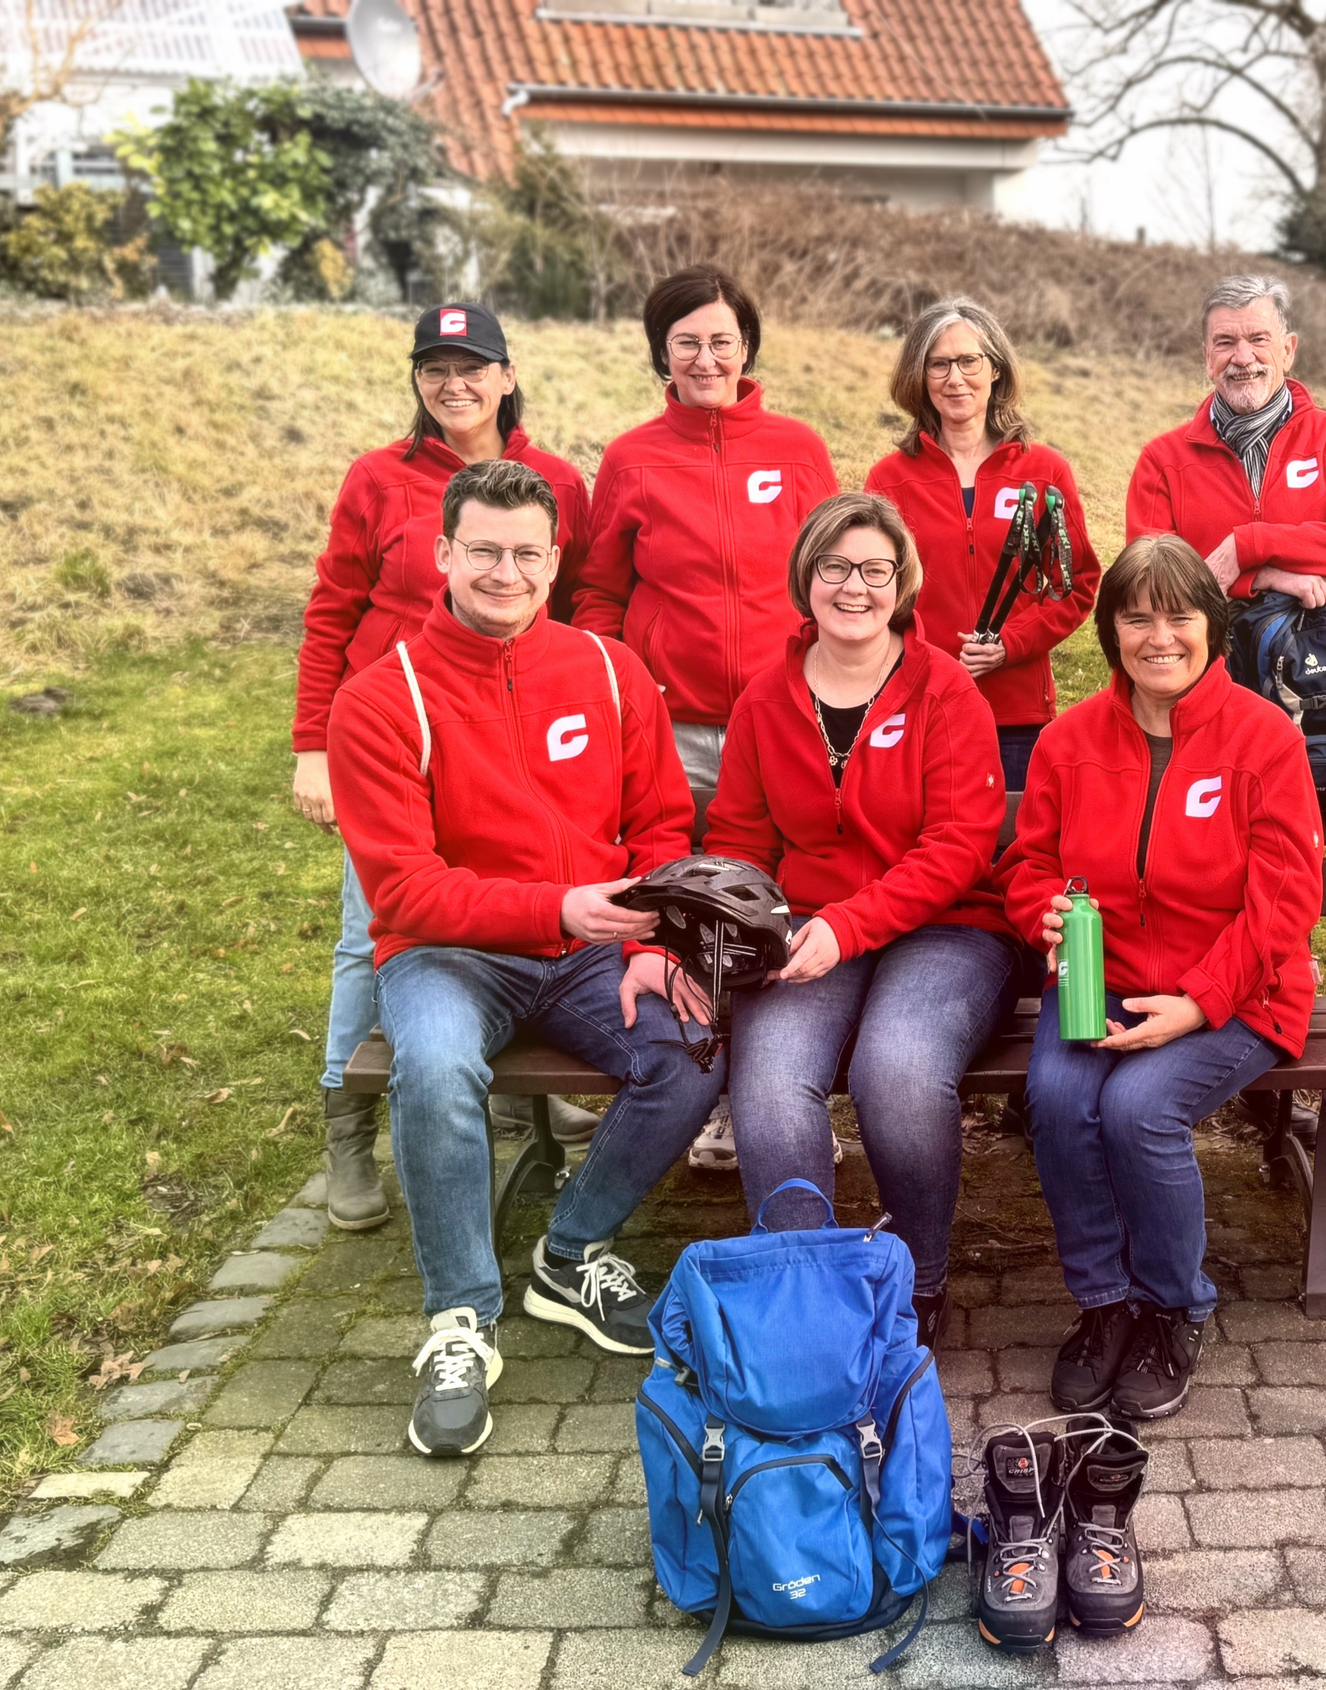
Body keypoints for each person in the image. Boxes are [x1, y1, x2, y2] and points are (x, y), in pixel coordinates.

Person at [328, 458, 722, 1457]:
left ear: (554, 561)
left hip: (594, 945)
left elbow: (661, 824)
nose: (505, 573)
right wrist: (554, 904)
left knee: (692, 1046)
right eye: (484, 551)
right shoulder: (380, 699)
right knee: (434, 1065)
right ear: (442, 553)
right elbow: (404, 890)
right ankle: (460, 1317)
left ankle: (570, 1252)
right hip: (450, 952)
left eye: (526, 554)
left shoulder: (608, 669)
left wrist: (652, 939)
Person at [292, 302, 599, 1228]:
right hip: (391, 733)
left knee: (528, 891)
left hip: (510, 731)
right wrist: (313, 745)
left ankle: (530, 1091)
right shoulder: (379, 478)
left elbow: (573, 604)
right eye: (435, 368)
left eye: (472, 366)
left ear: (507, 375)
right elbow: (332, 610)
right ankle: (349, 1129)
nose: (454, 384)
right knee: (371, 931)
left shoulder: (556, 481)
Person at [1003, 535, 1323, 1420]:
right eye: (1136, 617)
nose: (1158, 637)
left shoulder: (1264, 738)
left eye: (1178, 616)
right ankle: (1105, 1304)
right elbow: (1028, 864)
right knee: (1060, 1099)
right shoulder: (1068, 740)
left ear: (1211, 627)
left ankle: (1174, 1307)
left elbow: (1286, 901)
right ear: (1110, 630)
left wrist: (1199, 1004)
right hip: (1098, 980)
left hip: (1239, 988)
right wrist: (1042, 913)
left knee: (1139, 1108)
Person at [704, 493, 1016, 1349]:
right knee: (770, 1081)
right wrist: (738, 933)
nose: (855, 587)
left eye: (876, 570)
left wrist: (849, 924)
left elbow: (960, 846)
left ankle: (918, 1283)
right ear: (805, 578)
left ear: (902, 583)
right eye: (835, 567)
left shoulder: (946, 691)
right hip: (807, 930)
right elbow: (739, 839)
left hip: (950, 926)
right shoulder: (765, 698)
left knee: (898, 1069)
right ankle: (807, 1301)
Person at [574, 264, 838, 1170]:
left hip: (783, 722)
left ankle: (781, 1091)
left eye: (722, 340)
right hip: (671, 728)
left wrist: (817, 683)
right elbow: (600, 592)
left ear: (747, 346)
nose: (705, 358)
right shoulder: (631, 458)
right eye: (685, 342)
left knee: (777, 905)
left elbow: (831, 578)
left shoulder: (796, 450)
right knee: (685, 912)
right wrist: (624, 687)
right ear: (662, 352)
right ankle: (700, 1086)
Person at [864, 298, 1097, 790]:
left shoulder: (1044, 471)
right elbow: (875, 594)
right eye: (938, 364)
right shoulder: (890, 479)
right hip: (922, 706)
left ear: (995, 369)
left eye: (969, 361)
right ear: (919, 376)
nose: (955, 379)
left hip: (1018, 715)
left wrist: (1010, 645)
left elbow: (1076, 585)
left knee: (1015, 835)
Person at [1125, 275, 1326, 609]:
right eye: (1225, 342)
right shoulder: (1161, 461)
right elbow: (1150, 579)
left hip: (1313, 640)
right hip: (1206, 643)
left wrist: (1251, 545)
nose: (1243, 357)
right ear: (1208, 358)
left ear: (1287, 351)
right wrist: (1261, 577)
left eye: (1258, 339)